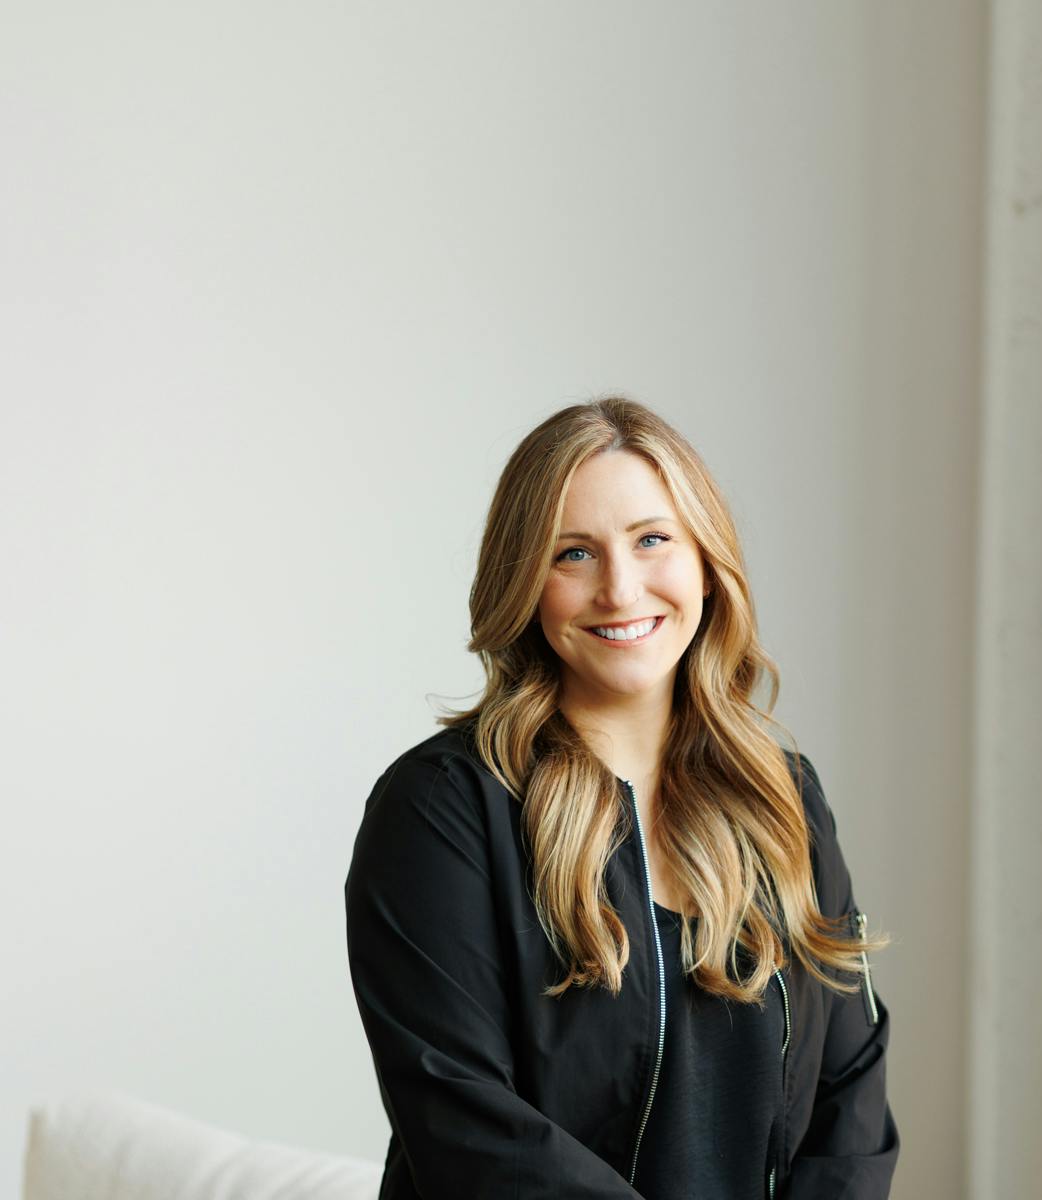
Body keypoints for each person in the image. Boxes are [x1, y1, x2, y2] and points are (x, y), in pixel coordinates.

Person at [344, 395, 899, 1199]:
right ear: (524, 583)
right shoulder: (442, 810)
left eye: (651, 540)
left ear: (706, 564)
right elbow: (463, 1121)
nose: (620, 587)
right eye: (573, 554)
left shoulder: (783, 796)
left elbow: (851, 1093)